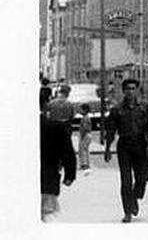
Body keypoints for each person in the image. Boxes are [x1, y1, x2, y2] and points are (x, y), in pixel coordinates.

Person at [104, 78, 148, 223]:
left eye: (133, 88)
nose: (130, 92)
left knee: (143, 176)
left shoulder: (144, 107)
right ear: (123, 91)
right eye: (128, 89)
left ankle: (134, 196)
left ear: (137, 90)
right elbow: (111, 130)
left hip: (140, 144)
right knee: (126, 180)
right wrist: (107, 148)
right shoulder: (117, 109)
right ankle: (127, 211)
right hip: (124, 146)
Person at [41, 89, 76, 222]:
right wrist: (70, 173)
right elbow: (67, 151)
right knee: (46, 214)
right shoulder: (68, 104)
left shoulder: (52, 104)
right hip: (49, 175)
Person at [77, 104, 93, 176]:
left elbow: (85, 127)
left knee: (83, 150)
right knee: (85, 150)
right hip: (87, 135)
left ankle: (85, 164)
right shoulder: (86, 117)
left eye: (81, 109)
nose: (80, 111)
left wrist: (82, 136)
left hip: (85, 135)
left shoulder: (85, 118)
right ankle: (85, 163)